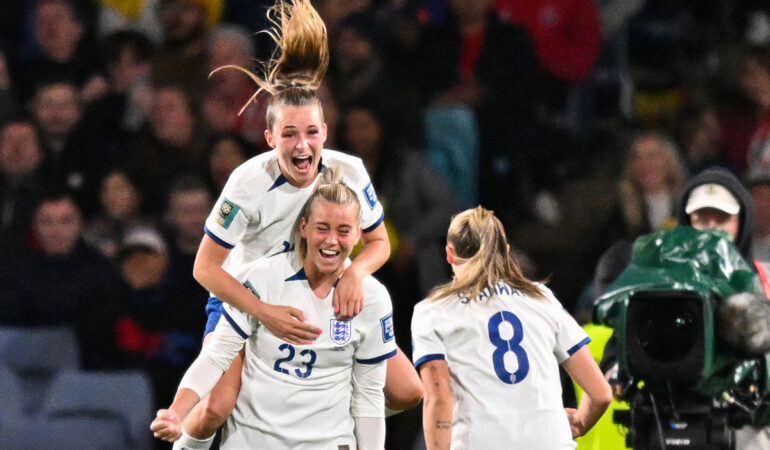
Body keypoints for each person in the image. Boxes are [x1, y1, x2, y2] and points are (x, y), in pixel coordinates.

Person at [171, 0, 420, 446]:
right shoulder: (247, 182)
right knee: (214, 408)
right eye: (289, 134)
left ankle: (324, 407)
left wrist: (357, 275)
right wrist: (264, 312)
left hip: (323, 292)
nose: (302, 145)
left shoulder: (350, 171)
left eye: (310, 133)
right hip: (250, 301)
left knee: (407, 390)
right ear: (270, 138)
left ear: (326, 132)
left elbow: (379, 241)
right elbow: (205, 269)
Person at [151, 172, 395, 449]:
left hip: (326, 443)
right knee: (214, 406)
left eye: (343, 231)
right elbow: (216, 355)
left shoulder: (373, 298)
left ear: (358, 234)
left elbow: (369, 394)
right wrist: (176, 411)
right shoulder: (263, 278)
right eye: (322, 228)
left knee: (408, 390)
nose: (331, 241)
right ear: (303, 227)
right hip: (254, 441)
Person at [411, 206, 612, 449]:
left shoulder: (434, 312)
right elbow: (601, 393)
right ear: (506, 252)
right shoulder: (542, 298)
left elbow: (439, 400)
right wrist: (579, 422)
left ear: (450, 253)